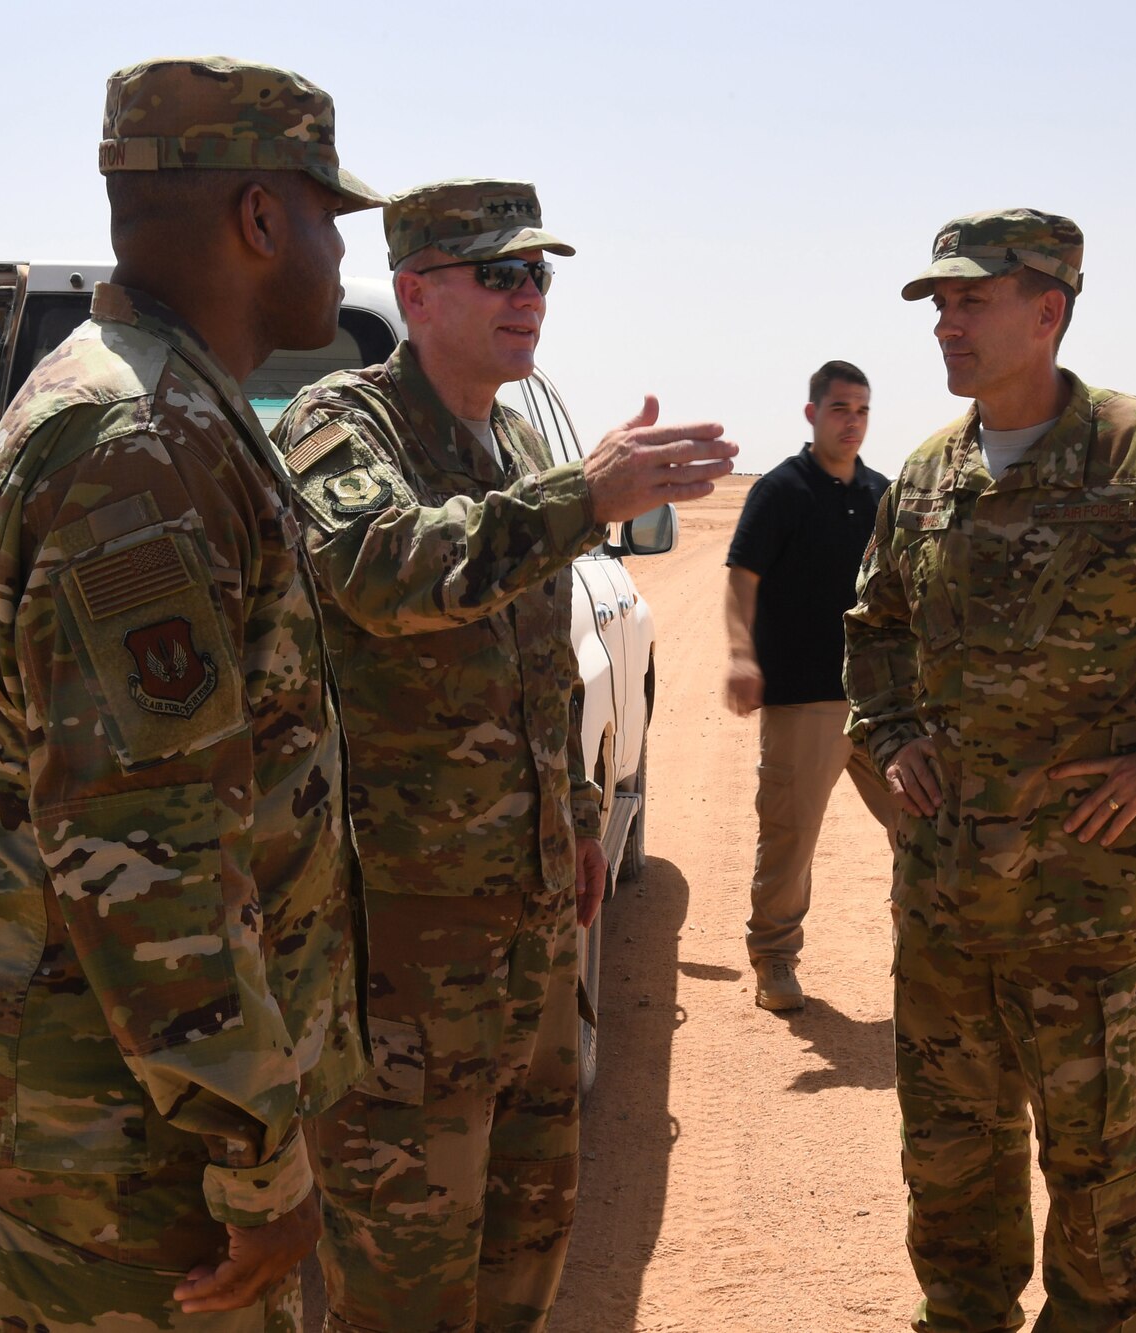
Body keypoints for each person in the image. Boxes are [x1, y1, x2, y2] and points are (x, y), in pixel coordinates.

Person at [0, 56, 380, 1329]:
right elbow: (147, 853)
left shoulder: (146, 410)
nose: (344, 251)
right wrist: (257, 1158)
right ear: (259, 218)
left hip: (108, 1091)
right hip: (124, 1131)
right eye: (331, 213)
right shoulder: (141, 449)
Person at [271, 178, 735, 1333]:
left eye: (539, 273)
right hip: (401, 952)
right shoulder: (342, 422)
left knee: (529, 1232)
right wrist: (587, 494)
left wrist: (578, 823)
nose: (529, 294)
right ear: (416, 292)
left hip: (527, 929)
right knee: (404, 1282)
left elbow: (534, 671)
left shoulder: (515, 436)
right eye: (500, 273)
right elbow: (388, 567)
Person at [846, 208, 1136, 1332]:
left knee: (1098, 1208)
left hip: (1088, 915)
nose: (946, 324)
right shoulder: (926, 472)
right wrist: (894, 731)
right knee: (951, 1190)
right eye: (937, 305)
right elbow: (873, 623)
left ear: (1047, 310)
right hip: (946, 914)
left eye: (969, 300)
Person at [724, 358, 897, 1011]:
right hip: (805, 695)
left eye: (862, 410)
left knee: (925, 828)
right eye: (839, 409)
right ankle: (774, 960)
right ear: (812, 414)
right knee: (791, 838)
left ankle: (924, 960)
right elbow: (742, 577)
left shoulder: (883, 493)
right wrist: (743, 655)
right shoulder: (781, 490)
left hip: (881, 702)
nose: (852, 422)